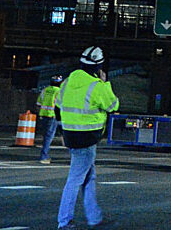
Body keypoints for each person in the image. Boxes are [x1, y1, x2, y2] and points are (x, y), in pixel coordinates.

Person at [55, 46, 118, 229]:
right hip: (87, 138)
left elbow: (58, 107)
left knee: (89, 176)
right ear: (99, 66)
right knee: (75, 179)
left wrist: (61, 132)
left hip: (71, 135)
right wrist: (106, 83)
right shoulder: (96, 86)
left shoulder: (68, 81)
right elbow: (113, 105)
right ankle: (64, 221)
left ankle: (94, 217)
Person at [37, 75, 64, 164]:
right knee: (49, 137)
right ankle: (43, 157)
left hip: (44, 115)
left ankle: (45, 155)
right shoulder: (59, 92)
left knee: (46, 136)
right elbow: (60, 105)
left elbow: (38, 103)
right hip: (53, 115)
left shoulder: (45, 90)